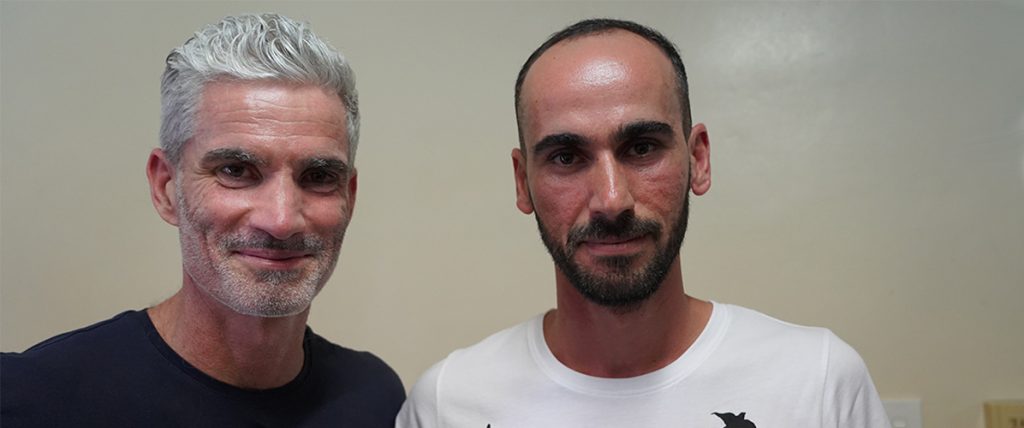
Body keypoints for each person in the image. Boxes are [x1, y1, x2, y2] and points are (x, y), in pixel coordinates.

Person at [397, 18, 891, 428]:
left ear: (698, 159)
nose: (612, 201)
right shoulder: (448, 404)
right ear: (522, 183)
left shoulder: (819, 383)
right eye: (567, 157)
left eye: (642, 148)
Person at [1, 14, 404, 427]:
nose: (281, 220)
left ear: (349, 198)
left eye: (318, 177)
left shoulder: (375, 398)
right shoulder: (31, 401)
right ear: (166, 187)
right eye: (235, 170)